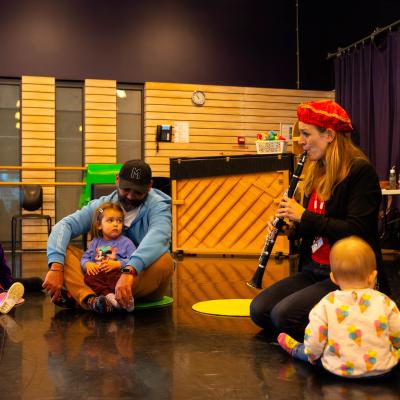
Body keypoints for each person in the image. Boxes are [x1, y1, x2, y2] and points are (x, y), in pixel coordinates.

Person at [250, 100, 384, 341]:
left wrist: (303, 215)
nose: (300, 141)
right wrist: (291, 228)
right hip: (314, 269)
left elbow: (357, 230)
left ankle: (348, 329)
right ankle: (327, 323)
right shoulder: (316, 171)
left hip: (346, 274)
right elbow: (313, 226)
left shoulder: (360, 172)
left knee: (282, 316)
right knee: (259, 310)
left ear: (329, 135)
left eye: (306, 134)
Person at [42, 159, 174, 313]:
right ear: (117, 179)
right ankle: (91, 300)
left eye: (138, 192)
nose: (130, 196)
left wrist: (130, 270)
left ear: (150, 186)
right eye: (126, 189)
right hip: (101, 276)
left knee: (165, 261)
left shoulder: (158, 206)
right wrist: (56, 267)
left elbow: (159, 236)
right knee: (64, 252)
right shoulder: (101, 208)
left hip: (138, 280)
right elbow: (64, 226)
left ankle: (84, 297)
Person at [278, 236, 400, 378]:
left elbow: (315, 341)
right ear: (373, 276)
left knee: (308, 352)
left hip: (337, 368)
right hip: (381, 369)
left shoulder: (326, 303)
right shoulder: (384, 302)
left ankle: (295, 348)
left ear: (333, 278)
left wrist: (311, 354)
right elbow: (397, 334)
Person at [81, 202, 136, 312]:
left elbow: (134, 260)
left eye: (119, 221)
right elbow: (85, 258)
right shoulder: (95, 242)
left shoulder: (126, 242)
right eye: (110, 220)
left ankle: (126, 299)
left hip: (117, 273)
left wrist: (118, 264)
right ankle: (109, 296)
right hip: (100, 274)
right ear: (99, 225)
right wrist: (87, 264)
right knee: (89, 278)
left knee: (122, 275)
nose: (116, 224)